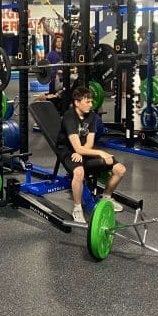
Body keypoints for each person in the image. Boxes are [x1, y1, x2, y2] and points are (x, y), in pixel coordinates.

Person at [55, 86, 126, 223]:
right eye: (87, 102)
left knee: (120, 169)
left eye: (91, 102)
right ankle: (77, 207)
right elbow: (76, 147)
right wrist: (99, 152)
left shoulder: (92, 116)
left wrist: (84, 151)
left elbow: (89, 142)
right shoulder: (69, 117)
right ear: (77, 102)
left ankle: (106, 197)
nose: (91, 104)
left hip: (83, 148)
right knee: (79, 172)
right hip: (67, 150)